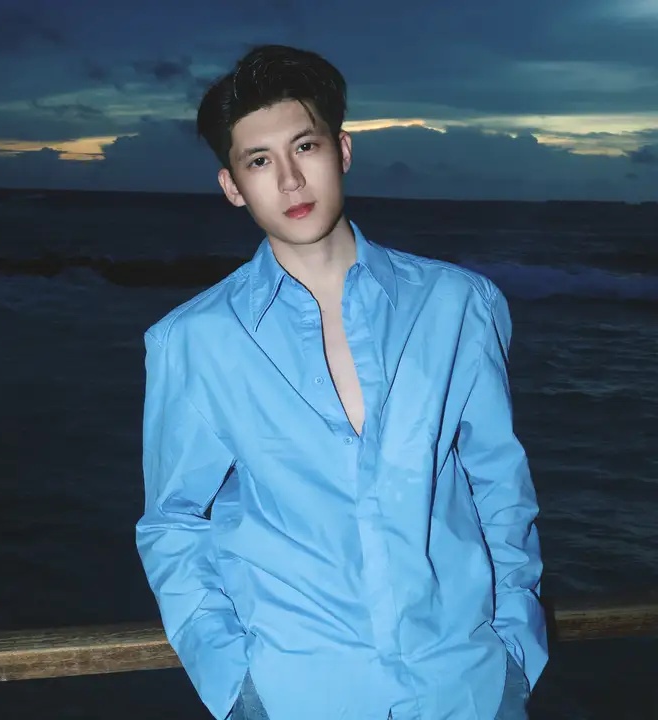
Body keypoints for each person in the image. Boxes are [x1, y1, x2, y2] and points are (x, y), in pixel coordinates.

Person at [136, 44, 548, 720]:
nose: (291, 180)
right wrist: (234, 684)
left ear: (343, 150)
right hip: (296, 695)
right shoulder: (192, 341)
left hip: (466, 687)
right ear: (232, 186)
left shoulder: (458, 305)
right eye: (260, 161)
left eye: (306, 147)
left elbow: (500, 487)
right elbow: (173, 521)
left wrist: (514, 653)